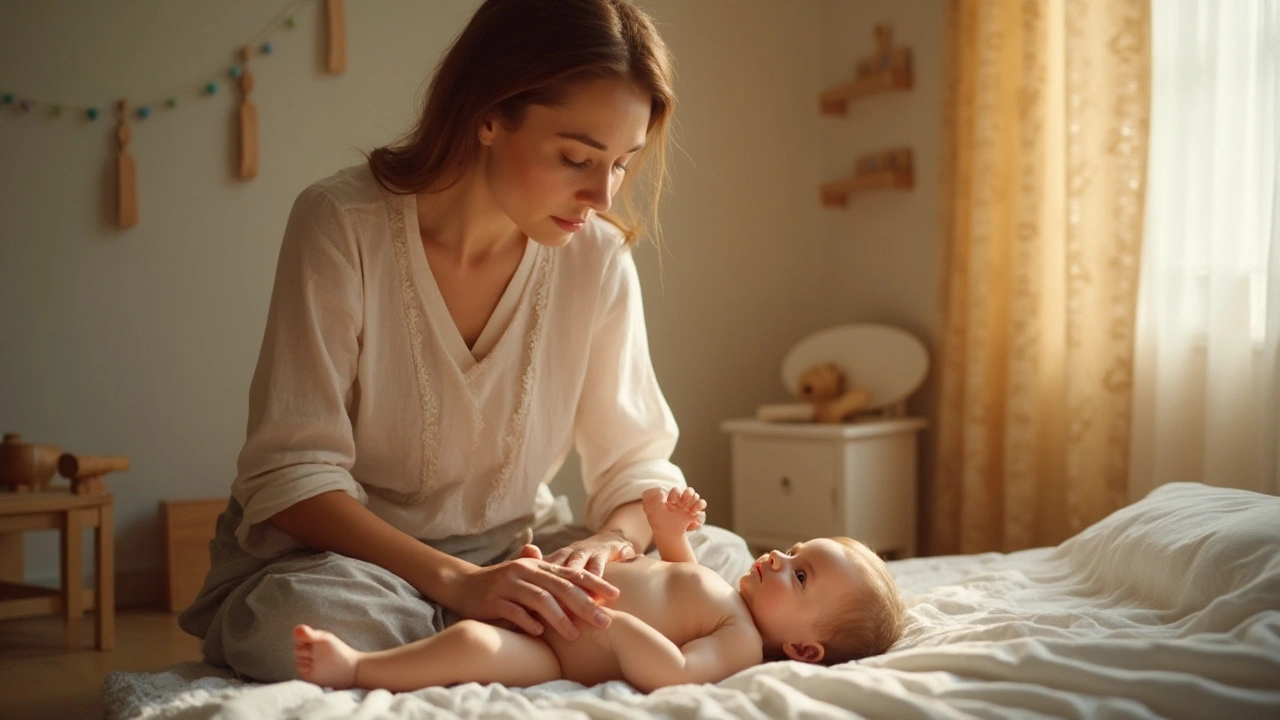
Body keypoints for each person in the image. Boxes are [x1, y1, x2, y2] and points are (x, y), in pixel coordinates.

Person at [178, 0, 755, 682]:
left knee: (723, 565)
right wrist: (457, 584)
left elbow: (637, 465)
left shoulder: (596, 259)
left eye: (623, 164)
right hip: (354, 564)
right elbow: (294, 473)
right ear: (488, 113)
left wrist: (609, 542)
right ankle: (512, 637)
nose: (602, 194)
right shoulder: (341, 223)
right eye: (576, 157)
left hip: (518, 550)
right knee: (292, 624)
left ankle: (484, 640)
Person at [292, 487, 906, 692]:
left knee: (477, 646)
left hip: (557, 646)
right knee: (501, 592)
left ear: (803, 651)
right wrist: (668, 531)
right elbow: (678, 574)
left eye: (799, 575)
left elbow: (674, 674)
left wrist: (606, 622)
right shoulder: (728, 594)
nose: (778, 557)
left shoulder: (741, 642)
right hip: (554, 597)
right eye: (794, 550)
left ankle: (358, 669)